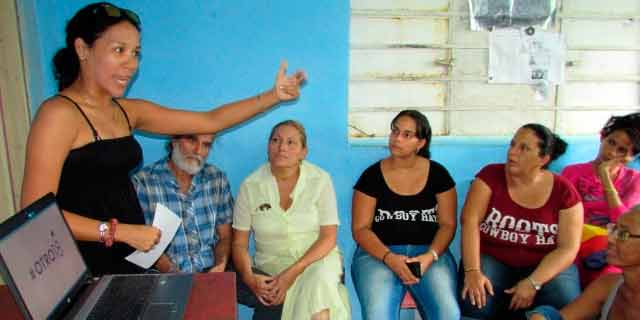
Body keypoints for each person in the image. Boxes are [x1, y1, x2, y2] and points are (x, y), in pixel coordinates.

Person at [20, 2, 305, 276]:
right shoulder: (58, 115)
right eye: (119, 50)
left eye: (135, 53)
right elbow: (36, 216)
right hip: (82, 266)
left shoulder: (126, 111)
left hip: (128, 259)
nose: (130, 64)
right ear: (83, 49)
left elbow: (210, 120)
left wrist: (272, 97)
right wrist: (119, 231)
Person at [460, 123, 583, 319]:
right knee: (475, 299)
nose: (512, 153)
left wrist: (533, 282)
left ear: (543, 159)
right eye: (513, 144)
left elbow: (568, 248)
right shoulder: (489, 176)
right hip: (494, 257)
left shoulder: (564, 192)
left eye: (524, 148)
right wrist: (472, 271)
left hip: (544, 263)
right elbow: (469, 222)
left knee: (567, 303)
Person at [232, 120, 350, 320]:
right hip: (272, 268)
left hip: (317, 259)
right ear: (268, 147)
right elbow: (239, 244)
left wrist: (292, 273)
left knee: (319, 282)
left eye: (291, 142)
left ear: (303, 152)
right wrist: (249, 278)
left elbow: (328, 237)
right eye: (275, 140)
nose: (282, 147)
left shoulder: (320, 180)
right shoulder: (250, 186)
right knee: (327, 300)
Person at [351, 110, 460, 320]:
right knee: (378, 316)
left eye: (407, 135)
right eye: (395, 131)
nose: (397, 138)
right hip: (378, 255)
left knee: (448, 314)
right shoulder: (371, 176)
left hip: (429, 253)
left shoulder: (439, 175)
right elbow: (360, 229)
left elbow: (447, 225)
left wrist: (430, 256)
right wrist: (389, 258)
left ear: (421, 143)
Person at [132, 134, 233, 273]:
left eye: (206, 145)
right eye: (191, 140)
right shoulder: (144, 182)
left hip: (210, 271)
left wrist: (219, 267)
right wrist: (175, 276)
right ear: (174, 141)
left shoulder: (216, 178)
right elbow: (140, 241)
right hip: (165, 275)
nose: (198, 150)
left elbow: (225, 236)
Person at [561, 113, 640, 287]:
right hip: (573, 243)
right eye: (611, 142)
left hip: (612, 250)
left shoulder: (635, 180)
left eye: (622, 150)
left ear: (631, 157)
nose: (612, 152)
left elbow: (623, 222)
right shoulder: (572, 172)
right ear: (602, 136)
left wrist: (605, 179)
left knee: (609, 278)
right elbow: (562, 217)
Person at [526, 207, 640, 320]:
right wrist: (543, 316)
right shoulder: (607, 285)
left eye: (623, 234)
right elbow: (561, 316)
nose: (610, 239)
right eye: (614, 229)